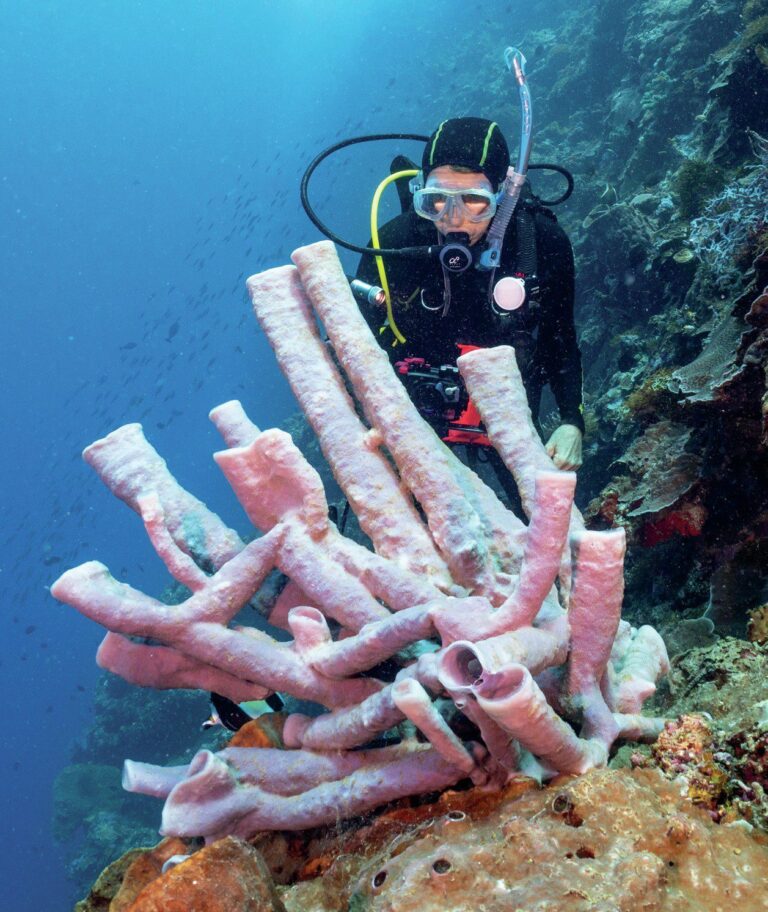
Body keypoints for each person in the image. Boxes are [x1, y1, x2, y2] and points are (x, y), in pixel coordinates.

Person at [354, 117, 584, 474]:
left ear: (502, 196)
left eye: (474, 200)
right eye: (435, 201)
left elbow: (561, 339)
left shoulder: (542, 243)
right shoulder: (392, 246)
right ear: (419, 194)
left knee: (547, 512)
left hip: (511, 412)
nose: (453, 219)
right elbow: (357, 347)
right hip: (413, 415)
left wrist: (572, 421)